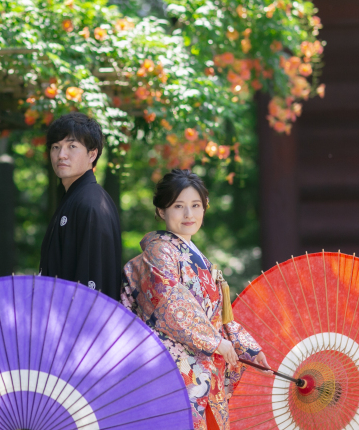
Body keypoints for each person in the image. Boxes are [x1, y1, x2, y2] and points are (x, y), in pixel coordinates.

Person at [121, 169, 269, 430]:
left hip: (203, 370)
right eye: (178, 206)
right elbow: (170, 304)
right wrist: (215, 342)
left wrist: (248, 349)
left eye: (196, 205)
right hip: (173, 371)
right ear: (161, 211)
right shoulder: (159, 251)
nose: (189, 214)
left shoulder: (197, 257)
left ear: (205, 208)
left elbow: (217, 317)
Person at [39, 112, 122, 300]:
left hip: (82, 316)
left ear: (92, 154)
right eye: (55, 147)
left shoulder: (90, 204)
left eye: (72, 146)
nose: (61, 155)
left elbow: (91, 283)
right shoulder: (75, 198)